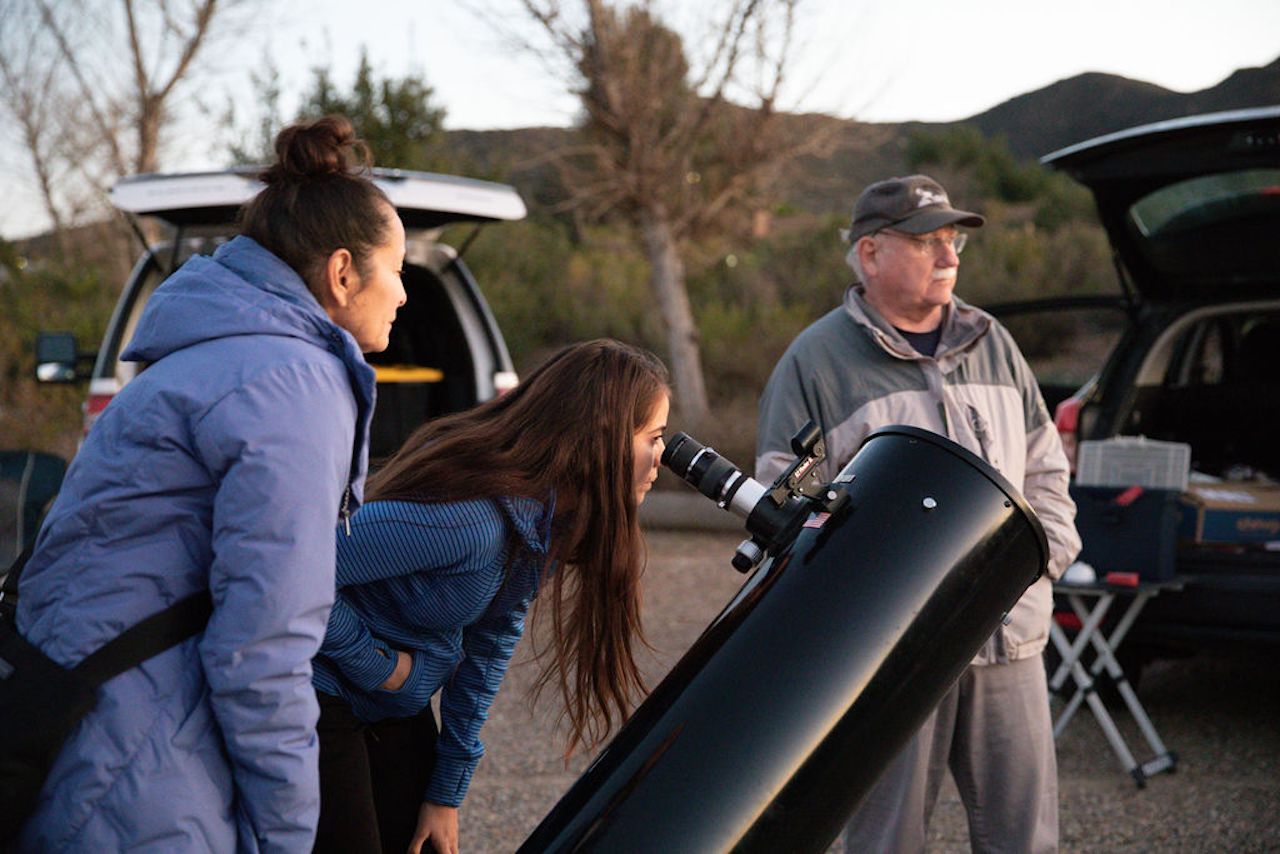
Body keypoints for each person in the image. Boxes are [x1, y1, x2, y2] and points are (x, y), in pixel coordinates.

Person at [14, 115, 406, 852]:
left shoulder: (210, 354)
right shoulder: (295, 384)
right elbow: (263, 649)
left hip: (77, 732)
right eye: (399, 272)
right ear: (344, 271)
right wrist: (289, 836)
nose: (404, 296)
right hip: (141, 773)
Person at [756, 175, 1081, 853]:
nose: (950, 256)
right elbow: (781, 513)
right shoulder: (814, 363)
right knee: (887, 841)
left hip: (1009, 640)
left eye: (954, 238)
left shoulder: (994, 342)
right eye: (928, 241)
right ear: (870, 253)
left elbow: (1047, 469)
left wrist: (1037, 562)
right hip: (893, 656)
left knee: (1026, 839)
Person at [310, 338, 670, 854]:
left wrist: (446, 794)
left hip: (390, 701)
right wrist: (379, 667)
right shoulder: (470, 525)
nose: (661, 459)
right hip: (319, 692)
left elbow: (491, 640)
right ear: (604, 438)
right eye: (653, 437)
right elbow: (295, 573)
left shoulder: (543, 521)